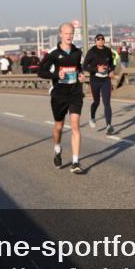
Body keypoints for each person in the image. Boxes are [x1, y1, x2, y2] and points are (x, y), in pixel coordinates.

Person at [37, 23, 88, 173]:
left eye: (71, 33)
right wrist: (55, 75)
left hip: (75, 93)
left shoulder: (78, 52)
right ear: (60, 34)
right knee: (59, 126)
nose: (69, 36)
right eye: (66, 33)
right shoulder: (53, 53)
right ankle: (57, 149)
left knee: (75, 125)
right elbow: (41, 71)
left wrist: (81, 76)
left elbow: (79, 69)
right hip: (59, 94)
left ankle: (75, 162)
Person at [80, 34, 116, 135]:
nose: (101, 41)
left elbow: (112, 63)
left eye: (102, 39)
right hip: (95, 80)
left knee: (107, 103)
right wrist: (96, 69)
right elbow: (84, 66)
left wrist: (111, 70)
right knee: (96, 101)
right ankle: (92, 116)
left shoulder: (108, 51)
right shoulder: (91, 52)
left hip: (106, 80)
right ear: (95, 41)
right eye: (98, 39)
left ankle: (109, 126)